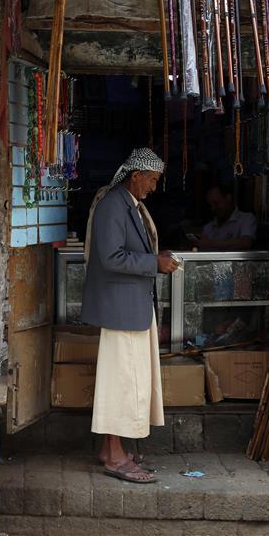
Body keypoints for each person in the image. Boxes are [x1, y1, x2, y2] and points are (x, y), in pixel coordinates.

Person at [81, 148, 179, 484]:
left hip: (131, 307)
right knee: (121, 384)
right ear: (135, 176)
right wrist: (155, 263)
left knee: (126, 382)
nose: (153, 187)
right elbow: (110, 257)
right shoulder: (113, 205)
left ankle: (111, 450)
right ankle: (115, 456)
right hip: (121, 309)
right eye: (151, 180)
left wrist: (156, 258)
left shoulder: (130, 205)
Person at [193, 182, 257, 250]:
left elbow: (245, 243)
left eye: (216, 203)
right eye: (210, 205)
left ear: (228, 198)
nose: (213, 208)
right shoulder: (208, 228)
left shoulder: (246, 219)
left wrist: (210, 243)